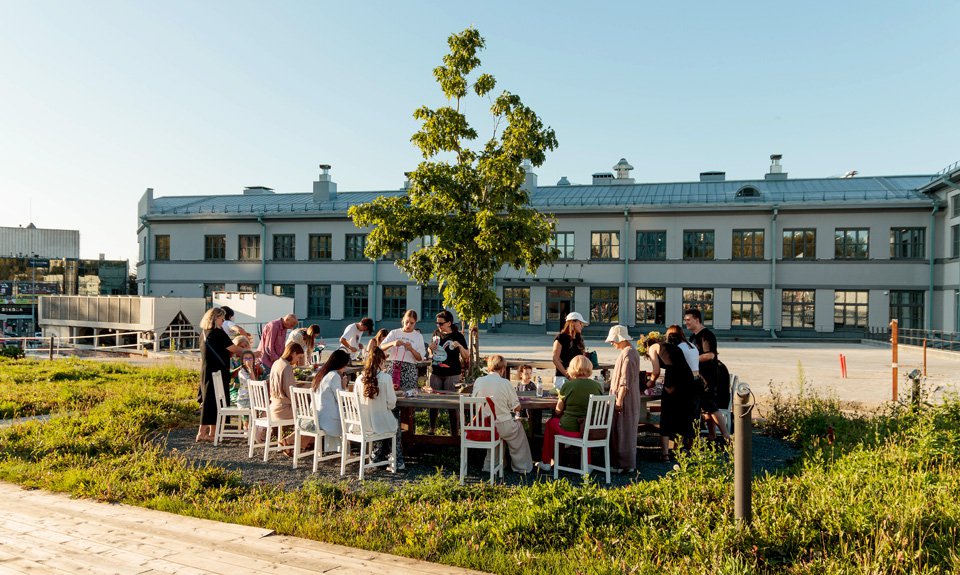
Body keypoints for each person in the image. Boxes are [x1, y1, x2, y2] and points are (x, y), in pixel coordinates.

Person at [537, 356, 603, 472]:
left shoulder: (568, 385)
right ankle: (587, 463)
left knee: (551, 423)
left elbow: (558, 410)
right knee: (585, 426)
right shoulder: (597, 385)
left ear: (572, 368)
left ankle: (546, 461)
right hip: (590, 428)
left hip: (571, 428)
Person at [379, 310, 425, 470]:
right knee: (392, 404)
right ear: (402, 320)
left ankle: (406, 438)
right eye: (406, 322)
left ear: (415, 323)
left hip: (409, 369)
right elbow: (380, 348)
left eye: (412, 323)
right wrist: (393, 343)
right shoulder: (394, 333)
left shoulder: (418, 336)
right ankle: (391, 442)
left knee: (407, 402)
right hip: (393, 367)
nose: (408, 325)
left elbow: (420, 358)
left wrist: (411, 349)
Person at [471, 354, 534, 473]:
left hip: (484, 425)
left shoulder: (479, 381)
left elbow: (475, 402)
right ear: (503, 369)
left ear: (489, 367)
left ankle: (492, 465)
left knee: (497, 432)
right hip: (502, 425)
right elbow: (516, 407)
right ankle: (522, 467)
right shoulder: (505, 383)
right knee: (518, 431)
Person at [647, 332, 698, 461]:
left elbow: (656, 371)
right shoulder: (673, 347)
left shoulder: (653, 347)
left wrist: (650, 383)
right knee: (684, 415)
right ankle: (680, 450)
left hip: (674, 382)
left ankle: (665, 454)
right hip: (688, 380)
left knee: (667, 416)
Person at [684, 309, 731, 444]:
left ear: (697, 320)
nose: (686, 323)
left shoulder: (706, 335)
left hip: (709, 378)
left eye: (688, 320)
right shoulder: (693, 336)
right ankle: (712, 437)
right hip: (699, 377)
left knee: (712, 407)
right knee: (706, 409)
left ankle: (727, 437)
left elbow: (710, 355)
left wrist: (692, 359)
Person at [197, 307, 243, 443]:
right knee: (213, 402)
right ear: (215, 318)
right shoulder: (218, 333)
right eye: (222, 318)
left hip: (207, 371)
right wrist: (251, 353)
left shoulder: (204, 333)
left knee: (212, 401)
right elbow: (233, 348)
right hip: (217, 371)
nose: (223, 321)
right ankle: (202, 433)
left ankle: (212, 433)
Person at [606, 325, 641, 473]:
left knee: (623, 430)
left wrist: (619, 400)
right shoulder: (629, 352)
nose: (611, 343)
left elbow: (625, 380)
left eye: (613, 340)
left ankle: (623, 464)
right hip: (627, 396)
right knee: (624, 429)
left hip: (625, 398)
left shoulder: (628, 354)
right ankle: (625, 463)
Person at [427, 310, 468, 436]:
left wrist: (459, 347)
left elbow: (466, 355)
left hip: (452, 374)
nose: (438, 326)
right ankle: (432, 429)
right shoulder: (436, 333)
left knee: (452, 404)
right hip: (436, 372)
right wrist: (430, 349)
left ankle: (454, 433)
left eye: (441, 323)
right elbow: (430, 354)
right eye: (437, 323)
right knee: (433, 403)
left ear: (449, 323)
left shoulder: (458, 336)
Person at [265, 342, 312, 451]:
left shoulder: (276, 363)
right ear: (293, 353)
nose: (297, 361)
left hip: (274, 407)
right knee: (312, 415)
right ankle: (294, 442)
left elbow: (283, 386)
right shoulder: (287, 367)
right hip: (284, 409)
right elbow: (291, 393)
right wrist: (306, 390)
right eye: (298, 357)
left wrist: (300, 385)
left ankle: (302, 443)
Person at [358, 347, 401, 467]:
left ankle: (377, 456)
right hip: (379, 424)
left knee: (383, 418)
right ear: (381, 361)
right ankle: (397, 460)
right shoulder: (386, 378)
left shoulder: (359, 379)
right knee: (394, 419)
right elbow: (392, 404)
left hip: (363, 423)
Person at [310, 349, 351, 452]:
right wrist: (344, 386)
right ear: (341, 364)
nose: (346, 367)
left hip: (318, 416)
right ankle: (348, 451)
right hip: (329, 421)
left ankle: (340, 449)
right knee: (353, 420)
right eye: (345, 365)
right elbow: (341, 400)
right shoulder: (334, 376)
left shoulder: (322, 374)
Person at [552, 312, 588, 390]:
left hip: (578, 378)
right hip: (562, 377)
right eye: (580, 323)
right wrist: (568, 375)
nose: (582, 326)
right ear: (573, 322)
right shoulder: (560, 338)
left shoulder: (579, 339)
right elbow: (555, 359)